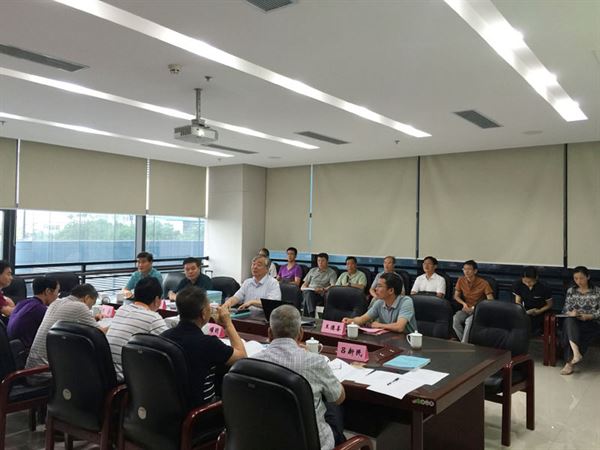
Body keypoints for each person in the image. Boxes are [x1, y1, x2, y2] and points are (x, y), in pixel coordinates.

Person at [254, 304, 346, 449]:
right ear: (301, 334)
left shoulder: (253, 361)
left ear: (270, 333)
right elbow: (339, 398)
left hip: (267, 440)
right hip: (310, 444)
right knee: (331, 404)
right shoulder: (314, 361)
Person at [162, 286, 246, 406]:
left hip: (168, 406)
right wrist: (228, 324)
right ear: (203, 313)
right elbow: (242, 358)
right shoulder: (208, 343)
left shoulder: (164, 336)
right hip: (201, 411)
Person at [25, 284, 103, 383]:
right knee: (94, 369)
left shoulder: (56, 302)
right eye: (91, 304)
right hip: (46, 373)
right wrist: (114, 324)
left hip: (32, 370)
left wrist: (92, 319)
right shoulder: (80, 306)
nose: (90, 308)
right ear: (87, 298)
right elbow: (100, 333)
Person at [107, 277, 168, 381]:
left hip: (106, 372)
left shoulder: (122, 309)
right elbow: (170, 347)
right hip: (123, 378)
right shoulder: (153, 318)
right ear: (157, 300)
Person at [342, 272, 417, 333]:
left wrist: (379, 325)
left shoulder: (406, 302)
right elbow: (362, 319)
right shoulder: (379, 302)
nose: (376, 289)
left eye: (379, 286)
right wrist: (350, 321)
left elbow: (399, 327)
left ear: (391, 290)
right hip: (388, 339)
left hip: (407, 341)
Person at [560, 266, 600, 376]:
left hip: (592, 322)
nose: (578, 281)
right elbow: (565, 309)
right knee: (569, 321)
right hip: (575, 321)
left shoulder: (597, 291)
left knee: (569, 331)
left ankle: (569, 363)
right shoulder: (571, 291)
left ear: (588, 277)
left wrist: (589, 316)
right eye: (576, 278)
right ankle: (576, 353)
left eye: (581, 278)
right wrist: (572, 313)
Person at [7, 277, 60, 348]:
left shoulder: (22, 303)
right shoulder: (40, 309)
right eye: (57, 292)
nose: (57, 296)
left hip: (13, 348)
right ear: (48, 291)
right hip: (27, 351)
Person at [453, 260, 494, 343]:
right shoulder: (461, 280)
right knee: (456, 319)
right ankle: (464, 342)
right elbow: (456, 296)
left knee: (469, 321)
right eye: (464, 269)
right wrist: (464, 304)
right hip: (466, 308)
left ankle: (464, 343)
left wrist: (475, 308)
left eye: (469, 269)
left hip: (478, 311)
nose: (466, 271)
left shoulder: (484, 283)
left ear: (475, 271)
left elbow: (491, 300)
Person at [512, 266, 553, 336]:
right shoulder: (518, 284)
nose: (528, 284)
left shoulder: (544, 287)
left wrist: (539, 311)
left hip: (541, 310)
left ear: (536, 278)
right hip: (526, 310)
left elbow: (550, 305)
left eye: (530, 282)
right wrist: (524, 311)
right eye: (525, 282)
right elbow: (518, 302)